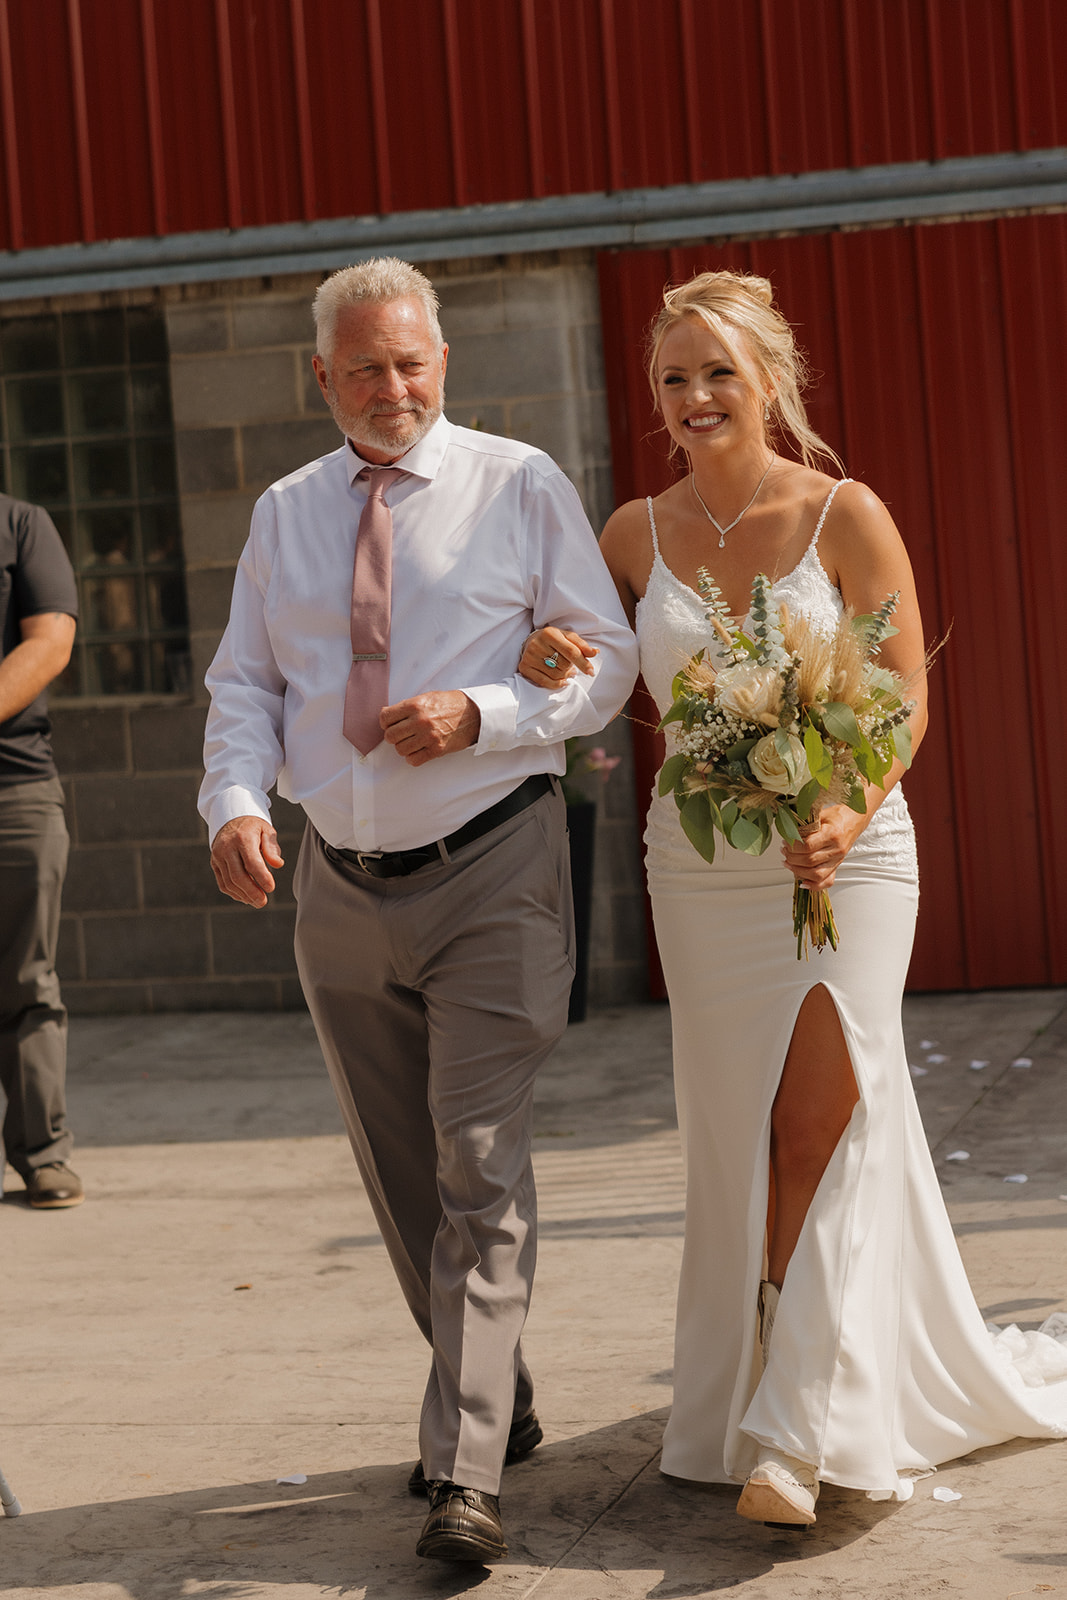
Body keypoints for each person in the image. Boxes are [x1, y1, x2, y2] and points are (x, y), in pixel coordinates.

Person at [521, 270, 1067, 1526]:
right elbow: (580, 670)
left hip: (846, 855)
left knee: (819, 1123)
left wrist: (847, 806)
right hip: (697, 870)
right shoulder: (628, 536)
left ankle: (792, 1433)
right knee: (738, 1136)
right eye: (672, 378)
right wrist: (541, 653)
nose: (695, 396)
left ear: (769, 379)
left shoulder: (842, 512)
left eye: (717, 371)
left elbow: (903, 692)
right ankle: (776, 1378)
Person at [199, 258, 638, 1563]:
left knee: (474, 1160)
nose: (391, 389)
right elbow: (244, 685)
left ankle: (462, 1474)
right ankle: (492, 1398)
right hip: (337, 884)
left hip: (492, 865)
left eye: (410, 364)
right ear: (320, 378)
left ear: (439, 363)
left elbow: (601, 658)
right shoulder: (282, 514)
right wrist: (231, 801)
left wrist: (486, 713)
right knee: (402, 1182)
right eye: (364, 369)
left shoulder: (516, 485)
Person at [0, 493, 81, 1210]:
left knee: (26, 980)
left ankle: (42, 1155)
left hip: (12, 792)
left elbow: (50, 641)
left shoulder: (20, 524)